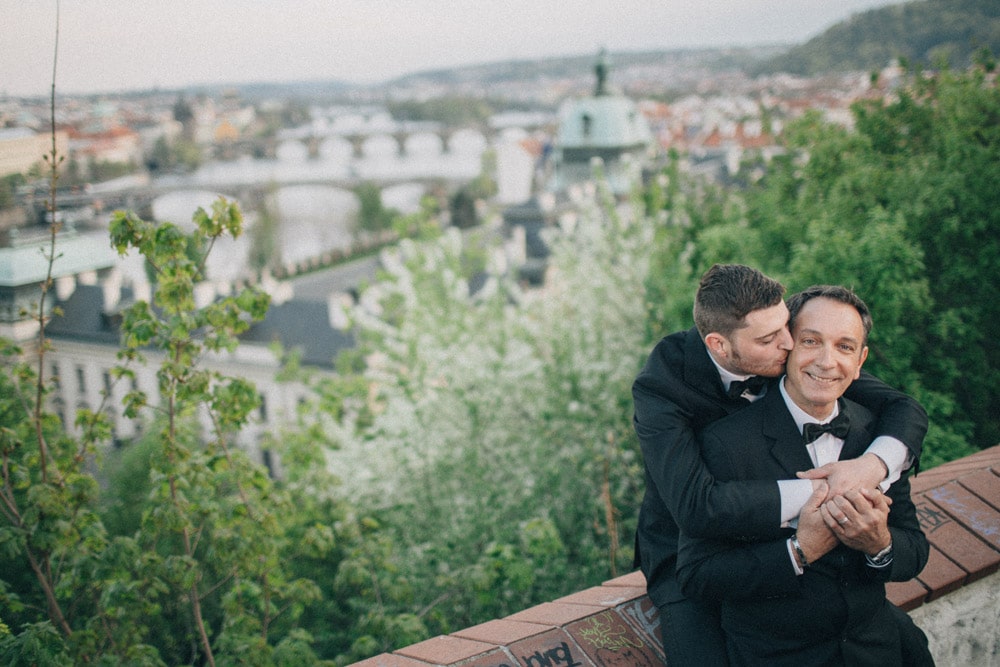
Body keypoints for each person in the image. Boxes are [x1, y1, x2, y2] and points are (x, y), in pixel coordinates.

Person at [632, 264, 930, 664]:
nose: (790, 344)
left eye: (790, 329)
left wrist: (872, 466)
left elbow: (902, 407)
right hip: (685, 543)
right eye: (773, 338)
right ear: (721, 346)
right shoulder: (663, 387)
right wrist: (826, 495)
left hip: (804, 575)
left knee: (904, 642)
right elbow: (696, 508)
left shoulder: (794, 357)